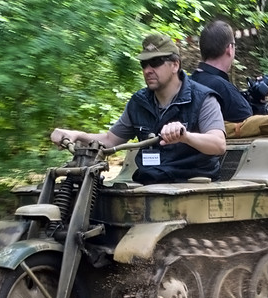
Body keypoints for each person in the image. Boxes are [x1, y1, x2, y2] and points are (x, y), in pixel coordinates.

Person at [51, 34, 226, 185]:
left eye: (155, 62)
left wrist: (186, 136)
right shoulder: (139, 102)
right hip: (149, 184)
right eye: (144, 64)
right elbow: (110, 140)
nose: (148, 70)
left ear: (175, 65)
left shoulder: (203, 98)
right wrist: (75, 135)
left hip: (190, 188)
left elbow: (218, 144)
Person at [190, 20, 268, 122]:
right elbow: (251, 126)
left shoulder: (187, 82)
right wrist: (260, 105)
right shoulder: (225, 90)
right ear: (230, 49)